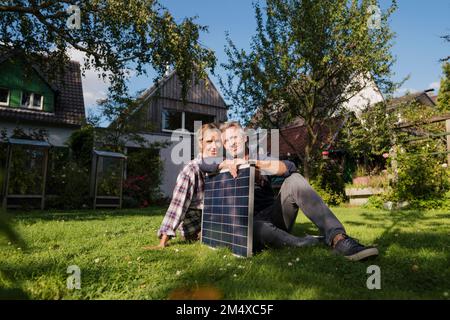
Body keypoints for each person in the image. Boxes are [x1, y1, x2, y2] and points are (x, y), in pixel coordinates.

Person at [201, 121, 379, 261]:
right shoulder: (222, 164)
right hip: (251, 226)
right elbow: (201, 163)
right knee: (256, 227)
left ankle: (338, 238)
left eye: (235, 138)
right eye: (226, 141)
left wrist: (254, 165)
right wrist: (224, 163)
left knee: (295, 180)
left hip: (274, 215)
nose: (231, 143)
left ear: (245, 138)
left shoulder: (260, 157)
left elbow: (289, 166)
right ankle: (307, 242)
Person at [143, 123, 222, 250]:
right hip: (194, 223)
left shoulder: (222, 166)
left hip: (213, 218)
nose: (214, 146)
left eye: (218, 141)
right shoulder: (191, 170)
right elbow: (177, 205)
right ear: (201, 143)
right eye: (209, 141)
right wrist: (163, 242)